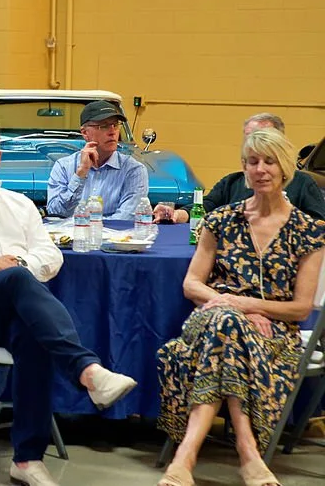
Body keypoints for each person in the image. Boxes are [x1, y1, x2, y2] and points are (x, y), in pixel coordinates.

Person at [0, 115, 138, 486]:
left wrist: (17, 265)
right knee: (14, 279)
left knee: (31, 331)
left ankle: (27, 459)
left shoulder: (20, 205)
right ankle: (88, 371)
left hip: (12, 308)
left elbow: (51, 256)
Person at [155, 128, 324, 486]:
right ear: (243, 169)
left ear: (285, 168)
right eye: (252, 162)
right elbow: (191, 284)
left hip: (274, 332)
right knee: (227, 324)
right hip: (212, 317)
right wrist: (233, 307)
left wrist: (242, 304)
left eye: (269, 161)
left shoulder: (309, 231)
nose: (261, 169)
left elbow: (300, 308)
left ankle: (186, 457)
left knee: (227, 329)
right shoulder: (222, 220)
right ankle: (249, 457)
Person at [154, 113, 325, 224]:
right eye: (248, 139)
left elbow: (319, 225)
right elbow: (206, 206)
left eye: (269, 160)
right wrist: (176, 214)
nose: (260, 169)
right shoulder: (231, 183)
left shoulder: (303, 183)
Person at [46, 99, 149, 219]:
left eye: (115, 125)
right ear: (85, 133)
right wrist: (80, 174)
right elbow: (55, 212)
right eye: (104, 126)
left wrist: (84, 224)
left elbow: (126, 219)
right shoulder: (63, 166)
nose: (113, 132)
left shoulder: (134, 170)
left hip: (114, 237)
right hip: (70, 237)